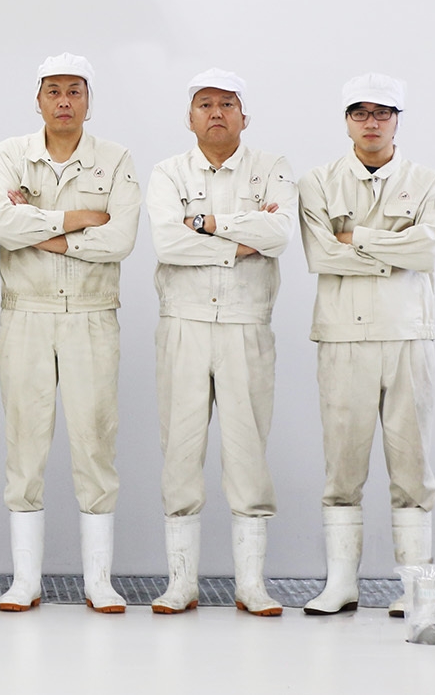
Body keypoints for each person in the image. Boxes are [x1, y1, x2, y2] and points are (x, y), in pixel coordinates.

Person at [0, 53, 140, 613]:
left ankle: (98, 580)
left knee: (95, 441)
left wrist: (43, 230)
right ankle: (25, 580)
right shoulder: (11, 154)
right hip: (25, 311)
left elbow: (120, 239)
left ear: (88, 101)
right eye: (53, 91)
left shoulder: (115, 159)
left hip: (92, 314)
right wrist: (77, 220)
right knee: (24, 441)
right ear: (38, 100)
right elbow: (4, 227)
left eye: (75, 91)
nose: (64, 101)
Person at [296, 73, 435, 616]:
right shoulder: (317, 182)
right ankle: (341, 583)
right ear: (346, 121)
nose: (371, 122)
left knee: (413, 469)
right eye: (360, 112)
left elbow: (427, 253)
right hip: (342, 336)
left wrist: (356, 237)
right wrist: (394, 249)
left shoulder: (428, 181)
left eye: (382, 112)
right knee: (342, 467)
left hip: (408, 335)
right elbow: (321, 254)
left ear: (397, 120)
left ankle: (415, 586)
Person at [146, 68, 295, 617]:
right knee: (180, 453)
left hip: (245, 322)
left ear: (244, 116)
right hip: (182, 322)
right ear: (190, 118)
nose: (216, 113)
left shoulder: (271, 168)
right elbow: (167, 243)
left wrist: (205, 223)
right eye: (205, 104)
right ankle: (180, 583)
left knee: (248, 453)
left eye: (227, 104)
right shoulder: (168, 172)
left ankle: (251, 585)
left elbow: (280, 234)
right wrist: (241, 237)